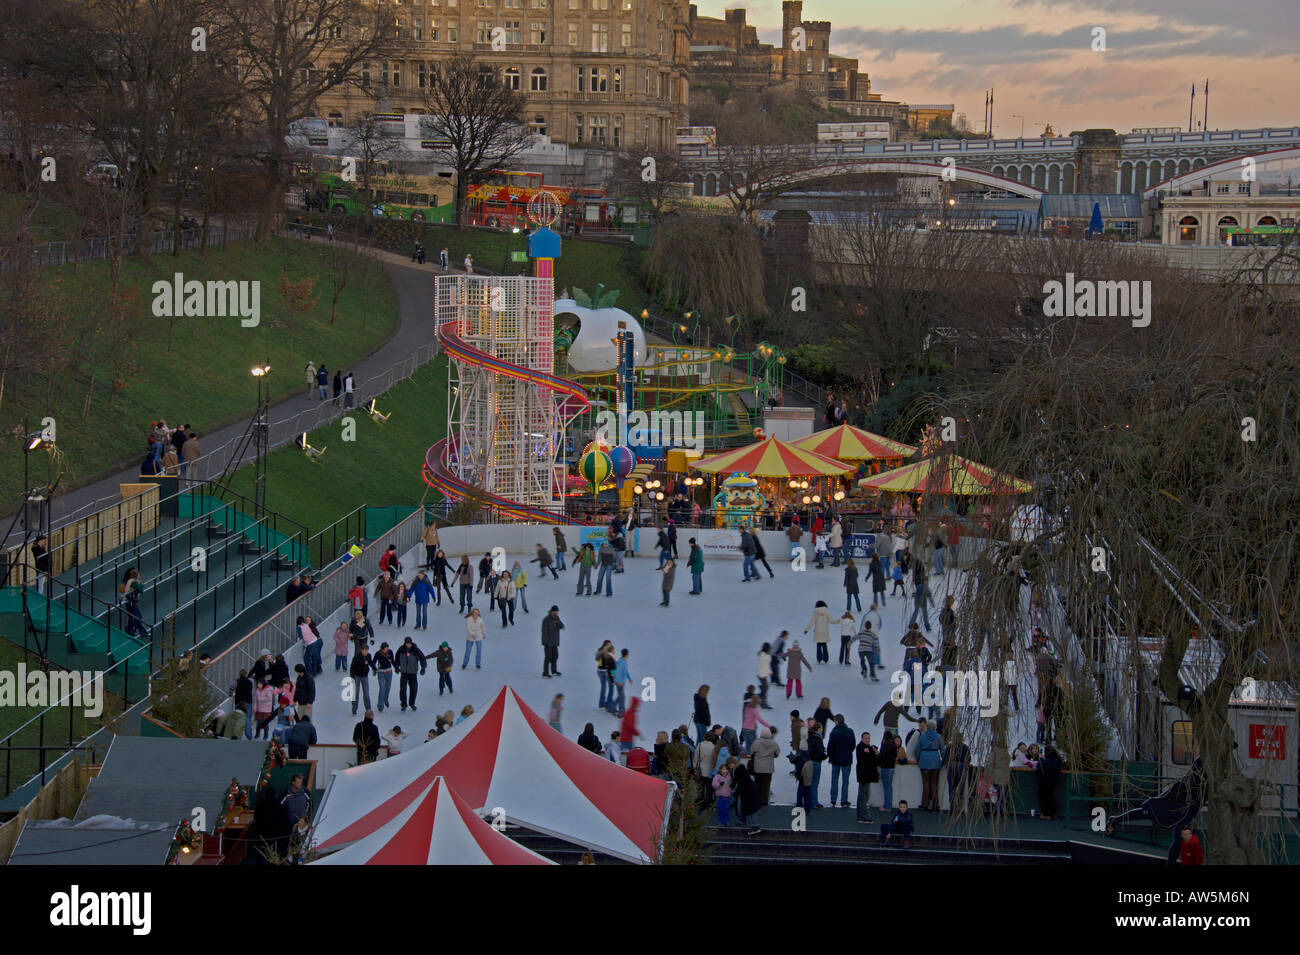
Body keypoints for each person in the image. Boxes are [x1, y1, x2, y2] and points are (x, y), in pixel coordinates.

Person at [913, 718, 944, 811]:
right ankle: (935, 804)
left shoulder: (922, 736)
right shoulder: (939, 737)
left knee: (926, 783)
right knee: (934, 783)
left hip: (924, 760)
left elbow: (916, 749)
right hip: (935, 761)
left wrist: (919, 759)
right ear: (935, 727)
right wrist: (943, 760)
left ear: (927, 726)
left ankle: (925, 804)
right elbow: (943, 750)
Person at [826, 714, 855, 808]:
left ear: (836, 721)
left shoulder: (834, 732)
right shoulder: (850, 731)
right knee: (845, 780)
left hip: (836, 759)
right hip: (847, 758)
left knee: (834, 779)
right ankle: (844, 800)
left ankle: (833, 800)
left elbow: (830, 747)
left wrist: (830, 757)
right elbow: (853, 745)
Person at [750, 727, 780, 808]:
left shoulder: (756, 743)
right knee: (766, 785)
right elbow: (777, 754)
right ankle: (764, 801)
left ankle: (757, 800)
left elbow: (751, 752)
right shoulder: (774, 743)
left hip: (758, 768)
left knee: (758, 784)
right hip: (768, 768)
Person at [945, 730, 972, 815]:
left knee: (951, 786)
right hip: (961, 766)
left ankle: (952, 806)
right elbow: (968, 759)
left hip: (951, 766)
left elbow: (945, 757)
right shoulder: (965, 747)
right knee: (960, 786)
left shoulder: (950, 747)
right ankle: (958, 806)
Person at [855, 732, 879, 823]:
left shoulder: (867, 748)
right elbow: (869, 757)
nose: (868, 740)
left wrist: (874, 751)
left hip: (865, 776)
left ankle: (860, 815)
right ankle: (862, 816)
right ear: (862, 738)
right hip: (864, 776)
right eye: (866, 738)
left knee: (862, 795)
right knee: (864, 796)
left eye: (869, 738)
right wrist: (873, 752)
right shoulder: (862, 748)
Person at [1035, 744, 1063, 819]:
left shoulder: (1047, 761)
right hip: (1054, 780)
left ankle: (1046, 814)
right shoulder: (1057, 760)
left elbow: (1039, 767)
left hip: (1044, 780)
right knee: (1050, 796)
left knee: (1044, 797)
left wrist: (1040, 759)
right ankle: (1054, 812)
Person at [805, 600, 833, 664]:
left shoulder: (816, 613)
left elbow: (811, 622)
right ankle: (826, 659)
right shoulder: (827, 612)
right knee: (824, 645)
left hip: (818, 632)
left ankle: (819, 659)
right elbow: (831, 621)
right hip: (824, 632)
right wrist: (838, 621)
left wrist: (807, 629)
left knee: (818, 646)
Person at [349, 647, 376, 715]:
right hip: (357, 677)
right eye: (364, 651)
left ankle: (368, 709)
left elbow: (371, 663)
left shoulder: (368, 656)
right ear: (362, 651)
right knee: (356, 694)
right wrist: (352, 677)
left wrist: (374, 668)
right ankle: (354, 708)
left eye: (367, 651)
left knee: (366, 693)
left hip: (365, 676)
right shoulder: (357, 657)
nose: (366, 652)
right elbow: (352, 668)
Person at [541, 605, 564, 677]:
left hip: (555, 642)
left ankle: (554, 671)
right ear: (552, 611)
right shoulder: (546, 620)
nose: (557, 613)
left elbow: (562, 626)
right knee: (548, 658)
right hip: (548, 643)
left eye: (557, 611)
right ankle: (545, 673)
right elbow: (544, 632)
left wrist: (558, 622)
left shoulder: (557, 618)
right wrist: (546, 642)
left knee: (555, 656)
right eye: (556, 611)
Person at [712, 760, 735, 827]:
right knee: (720, 809)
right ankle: (719, 821)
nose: (725, 771)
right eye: (723, 769)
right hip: (720, 796)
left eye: (726, 769)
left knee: (726, 810)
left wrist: (733, 788)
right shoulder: (717, 777)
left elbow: (731, 785)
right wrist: (719, 784)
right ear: (720, 770)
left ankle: (726, 821)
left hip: (727, 796)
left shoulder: (729, 777)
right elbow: (714, 785)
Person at [610, 648, 632, 717]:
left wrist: (613, 679)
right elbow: (625, 672)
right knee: (622, 697)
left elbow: (613, 669)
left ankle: (612, 708)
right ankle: (621, 712)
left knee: (620, 695)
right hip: (620, 682)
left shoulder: (619, 661)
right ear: (626, 654)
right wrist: (629, 679)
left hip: (616, 680)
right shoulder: (624, 662)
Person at [756, 643, 773, 709]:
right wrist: (768, 672)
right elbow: (764, 666)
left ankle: (759, 697)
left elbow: (766, 665)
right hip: (761, 674)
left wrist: (769, 671)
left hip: (762, 674)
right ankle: (763, 703)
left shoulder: (765, 655)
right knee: (765, 688)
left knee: (765, 687)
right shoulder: (764, 656)